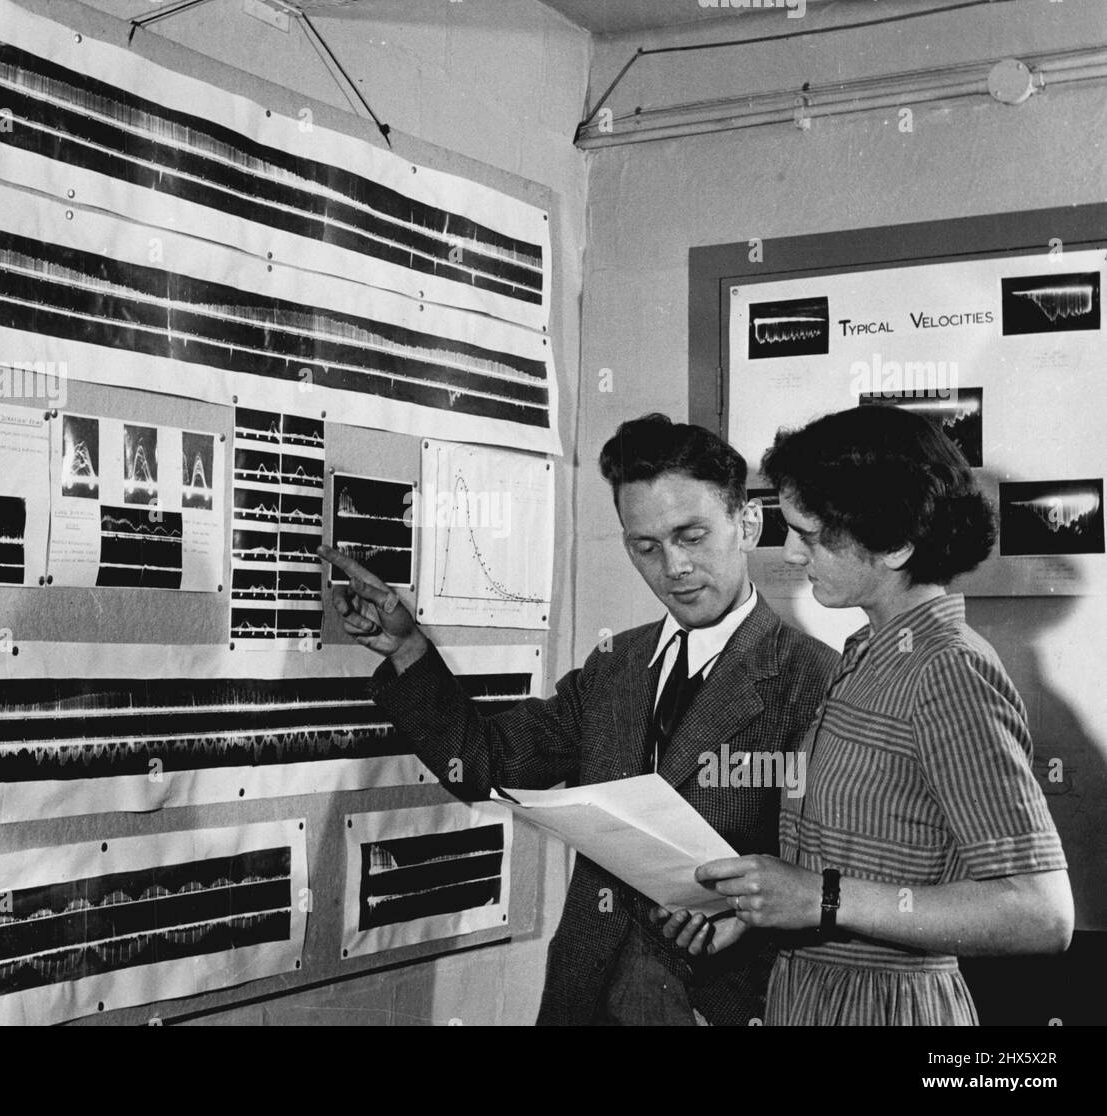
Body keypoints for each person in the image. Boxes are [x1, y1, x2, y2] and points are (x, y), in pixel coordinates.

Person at [319, 414, 838, 1026]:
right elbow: (483, 764)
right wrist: (408, 651)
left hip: (727, 1004)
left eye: (691, 536)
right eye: (645, 547)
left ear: (747, 523)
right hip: (588, 997)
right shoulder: (615, 665)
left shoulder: (816, 681)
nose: (672, 567)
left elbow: (842, 886)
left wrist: (746, 918)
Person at [675, 405, 1073, 1026]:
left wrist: (820, 900)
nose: (788, 554)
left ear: (894, 543)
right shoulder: (868, 655)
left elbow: (1039, 914)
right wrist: (764, 912)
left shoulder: (947, 670)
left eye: (809, 534)